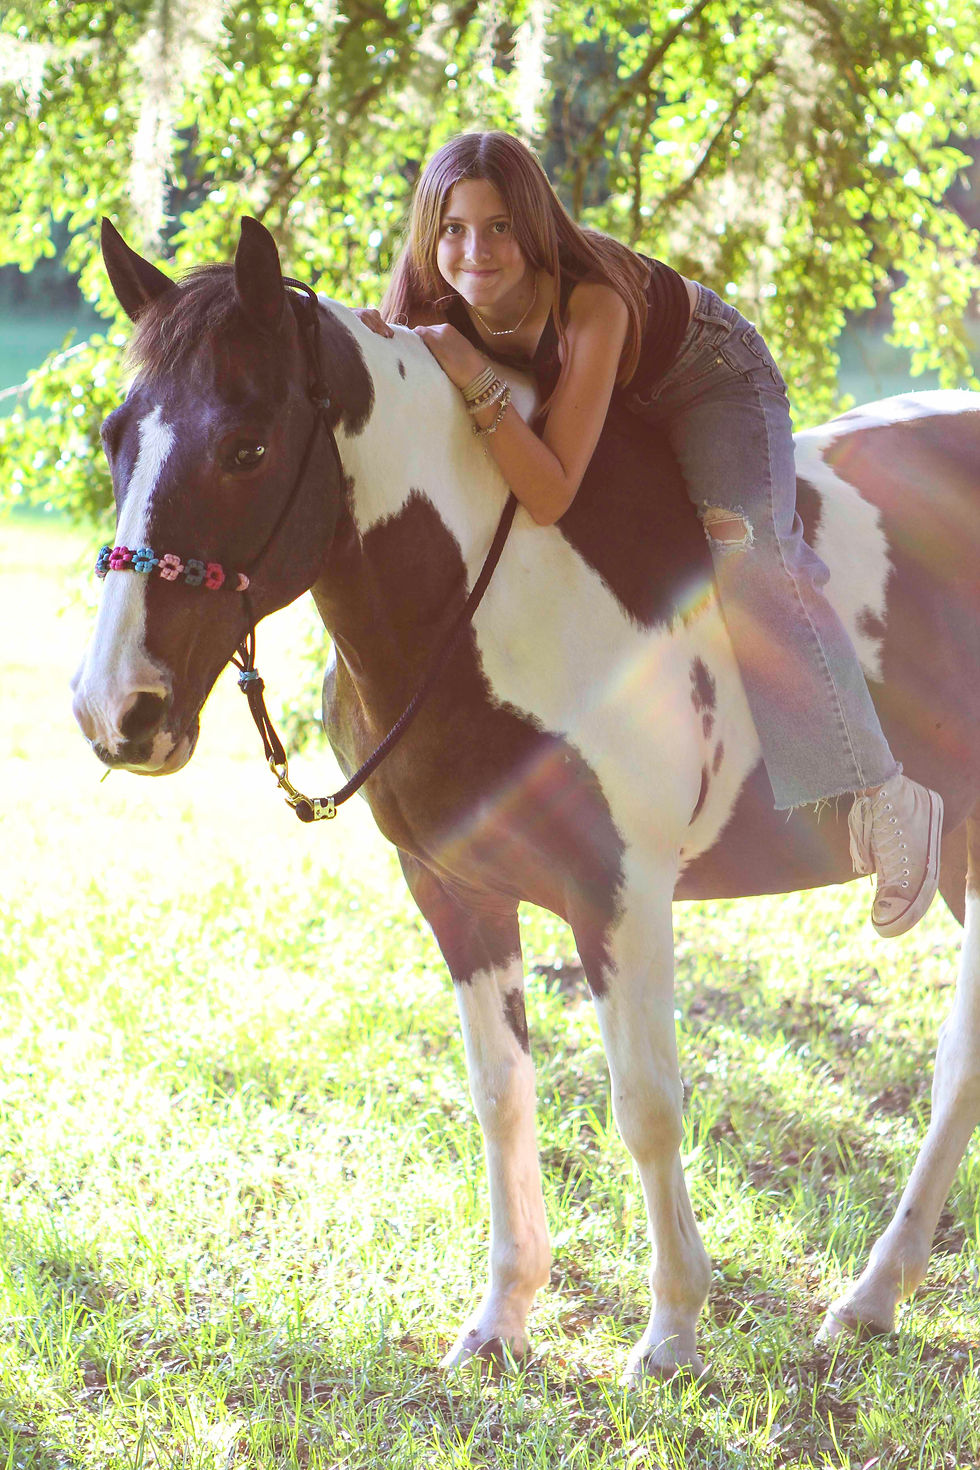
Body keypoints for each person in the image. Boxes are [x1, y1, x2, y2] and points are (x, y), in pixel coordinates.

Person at [355, 130, 943, 938]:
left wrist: (466, 368)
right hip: (597, 400)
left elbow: (553, 489)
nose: (474, 251)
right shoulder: (428, 297)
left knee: (745, 550)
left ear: (534, 226)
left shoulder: (589, 301)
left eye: (498, 228)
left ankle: (883, 794)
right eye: (454, 229)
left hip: (704, 377)